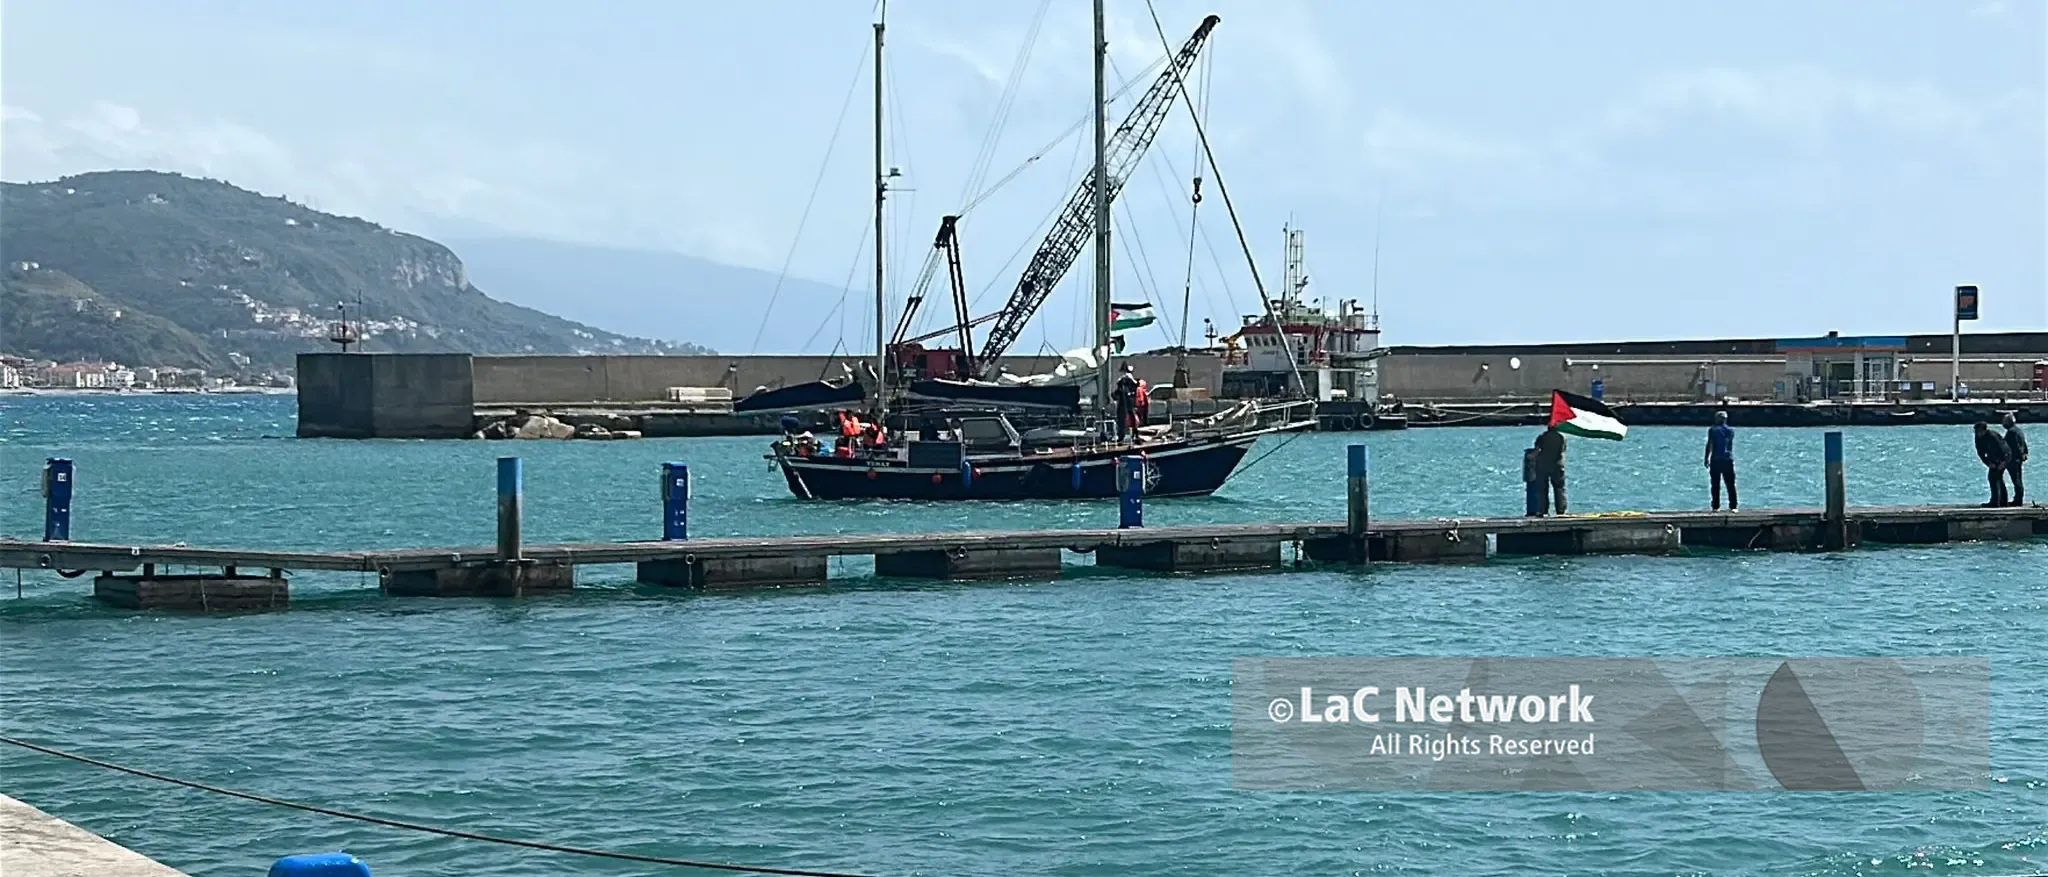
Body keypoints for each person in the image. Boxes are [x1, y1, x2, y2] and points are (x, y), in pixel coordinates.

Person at [1705, 410, 1737, 511]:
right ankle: (1733, 506)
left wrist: (1706, 458)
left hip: (1716, 459)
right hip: (1728, 459)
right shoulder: (1731, 431)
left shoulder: (1713, 430)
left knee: (1715, 484)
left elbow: (1709, 445)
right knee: (1730, 484)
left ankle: (1715, 506)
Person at [1974, 421, 2009, 507]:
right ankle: (2002, 501)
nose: (1977, 433)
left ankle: (1996, 502)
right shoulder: (1978, 438)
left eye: (1979, 431)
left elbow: (2005, 449)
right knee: (1996, 478)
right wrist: (1988, 463)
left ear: (1984, 430)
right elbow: (1980, 453)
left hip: (2004, 457)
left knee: (1994, 478)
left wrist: (2003, 462)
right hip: (1992, 459)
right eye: (1976, 432)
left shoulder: (1993, 436)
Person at [1533, 425, 1567, 514]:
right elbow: (1562, 450)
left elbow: (1537, 450)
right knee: (1559, 488)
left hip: (1543, 465)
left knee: (1542, 489)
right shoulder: (1561, 437)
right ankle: (1561, 510)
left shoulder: (1542, 437)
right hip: (1557, 465)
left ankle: (1542, 510)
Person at [2003, 413, 2029, 505]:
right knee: (2018, 479)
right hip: (2018, 459)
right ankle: (2018, 498)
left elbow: (2015, 446)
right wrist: (2025, 453)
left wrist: (2018, 455)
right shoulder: (2019, 431)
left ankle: (2018, 500)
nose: (2003, 423)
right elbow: (2024, 444)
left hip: (2014, 459)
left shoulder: (2011, 432)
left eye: (2004, 421)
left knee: (2016, 480)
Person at [1113, 366, 1140, 440]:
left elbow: (1136, 385)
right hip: (1125, 401)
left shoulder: (1127, 381)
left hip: (1127, 401)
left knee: (1128, 417)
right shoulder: (1122, 381)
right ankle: (1125, 434)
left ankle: (1133, 433)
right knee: (1124, 417)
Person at [1522, 441, 1546, 516]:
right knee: (1534, 494)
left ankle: (1533, 510)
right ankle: (1534, 510)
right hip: (1533, 477)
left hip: (1530, 477)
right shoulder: (1532, 456)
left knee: (1532, 494)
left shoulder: (1529, 456)